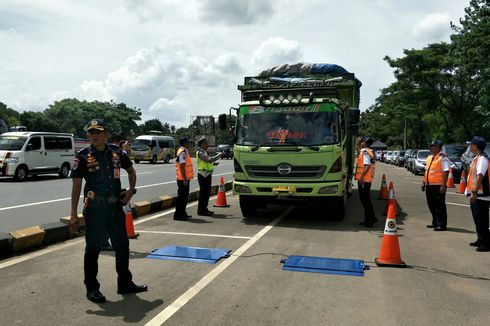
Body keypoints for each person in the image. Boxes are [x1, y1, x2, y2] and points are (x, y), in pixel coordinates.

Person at [70, 119, 147, 303]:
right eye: (91, 132)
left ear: (106, 134)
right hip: (95, 209)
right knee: (93, 249)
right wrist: (74, 213)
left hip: (114, 208)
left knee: (122, 246)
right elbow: (76, 185)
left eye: (98, 132)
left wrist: (131, 191)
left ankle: (125, 283)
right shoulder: (82, 156)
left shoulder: (117, 152)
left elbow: (131, 171)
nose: (94, 135)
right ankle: (92, 288)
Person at [465, 136, 490, 251]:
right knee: (478, 218)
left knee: (481, 219)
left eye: (471, 144)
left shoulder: (482, 159)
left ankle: (485, 243)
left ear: (475, 146)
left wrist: (474, 192)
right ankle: (481, 239)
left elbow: (480, 175)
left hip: (481, 195)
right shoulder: (478, 157)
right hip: (478, 194)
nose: (470, 146)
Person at [421, 140, 450, 231]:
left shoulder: (443, 158)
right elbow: (427, 171)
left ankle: (441, 224)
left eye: (434, 146)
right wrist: (423, 182)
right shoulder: (429, 157)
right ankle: (435, 222)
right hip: (429, 185)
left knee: (439, 206)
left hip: (438, 185)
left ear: (439, 148)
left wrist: (443, 185)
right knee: (431, 205)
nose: (432, 148)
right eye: (431, 146)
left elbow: (446, 171)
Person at [196, 136, 223, 216]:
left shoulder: (204, 152)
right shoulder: (200, 152)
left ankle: (204, 208)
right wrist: (219, 155)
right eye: (205, 143)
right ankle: (201, 210)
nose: (207, 144)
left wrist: (213, 163)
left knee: (207, 193)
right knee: (203, 193)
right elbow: (208, 159)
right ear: (202, 144)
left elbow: (207, 162)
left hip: (207, 174)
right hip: (203, 175)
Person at [355, 136, 377, 227]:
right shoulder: (368, 151)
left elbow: (367, 165)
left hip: (364, 180)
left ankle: (371, 219)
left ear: (366, 143)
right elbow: (358, 151)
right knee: (365, 200)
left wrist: (361, 178)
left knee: (365, 201)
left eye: (363, 141)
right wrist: (357, 143)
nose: (361, 142)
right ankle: (368, 218)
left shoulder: (365, 153)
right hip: (367, 180)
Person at [174, 136, 194, 220]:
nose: (189, 143)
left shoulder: (185, 151)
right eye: (188, 142)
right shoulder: (182, 152)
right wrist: (185, 179)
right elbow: (182, 166)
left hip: (184, 178)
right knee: (181, 198)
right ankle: (178, 215)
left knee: (185, 197)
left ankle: (183, 213)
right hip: (183, 179)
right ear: (184, 143)